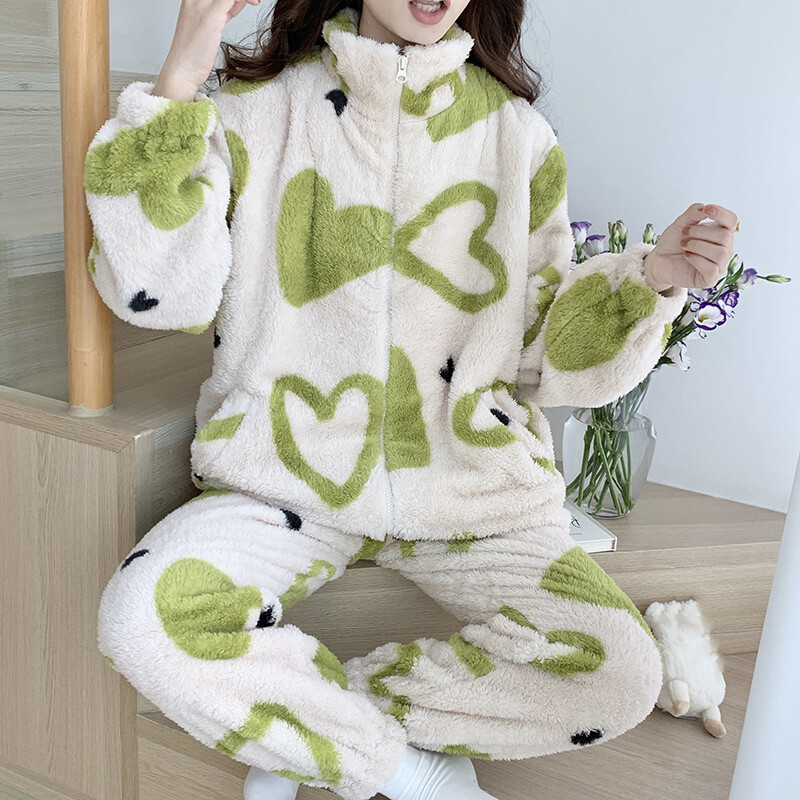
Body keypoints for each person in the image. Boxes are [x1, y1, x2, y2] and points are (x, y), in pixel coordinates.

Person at [83, 1, 739, 799]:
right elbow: (158, 294)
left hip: (469, 489)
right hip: (283, 476)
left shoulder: (518, 138)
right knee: (140, 619)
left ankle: (305, 728)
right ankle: (403, 769)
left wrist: (652, 282)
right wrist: (181, 76)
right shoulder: (256, 112)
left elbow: (542, 358)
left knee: (623, 673)